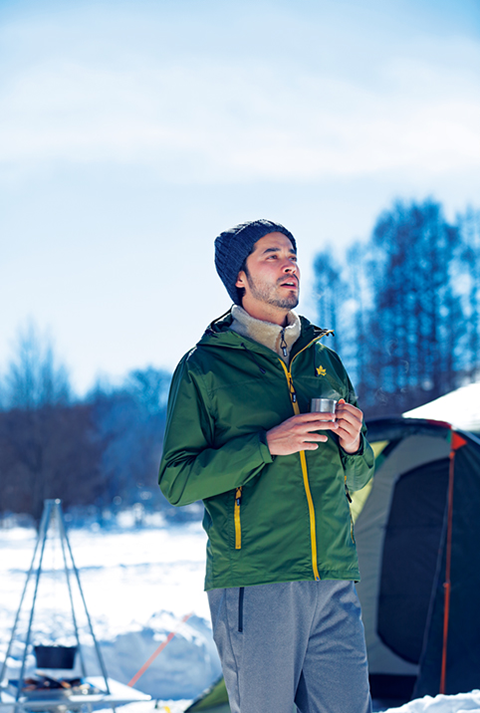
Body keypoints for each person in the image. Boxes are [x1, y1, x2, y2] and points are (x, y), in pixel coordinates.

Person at [159, 219, 375, 713]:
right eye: (271, 255)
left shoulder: (324, 360)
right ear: (240, 276)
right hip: (256, 580)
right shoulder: (205, 367)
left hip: (334, 577)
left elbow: (359, 477)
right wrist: (265, 446)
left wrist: (355, 444)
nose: (289, 264)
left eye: (292, 254)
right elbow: (176, 479)